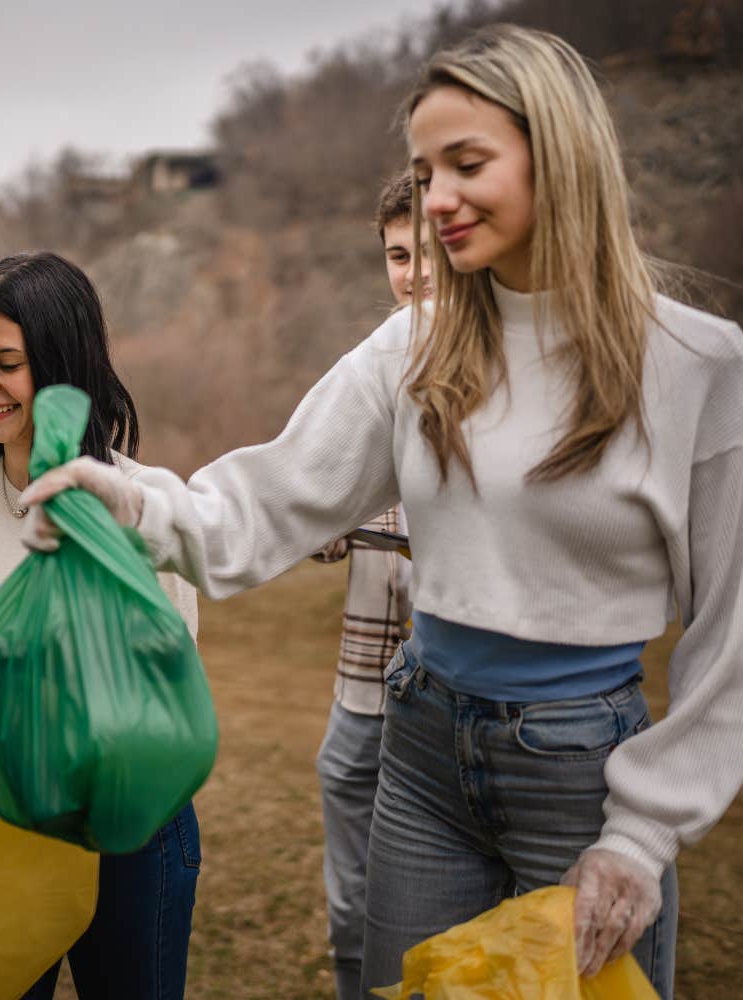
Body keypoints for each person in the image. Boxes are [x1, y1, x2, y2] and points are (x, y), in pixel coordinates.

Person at [21, 24, 743, 1000]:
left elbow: (735, 634)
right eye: (423, 173)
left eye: (467, 164)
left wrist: (643, 834)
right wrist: (128, 501)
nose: (436, 198)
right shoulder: (412, 345)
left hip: (581, 773)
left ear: (561, 156)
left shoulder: (700, 366)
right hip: (420, 750)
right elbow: (264, 502)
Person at [0, 252, 201, 1000]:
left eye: (8, 364)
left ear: (65, 365)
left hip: (125, 824)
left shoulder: (133, 504)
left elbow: (162, 676)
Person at [313, 170, 427, 1000]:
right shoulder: (369, 372)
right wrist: (324, 523)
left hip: (449, 691)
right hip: (360, 684)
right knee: (351, 900)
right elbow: (314, 499)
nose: (413, 274)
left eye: (429, 254)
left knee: (432, 895)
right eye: (397, 256)